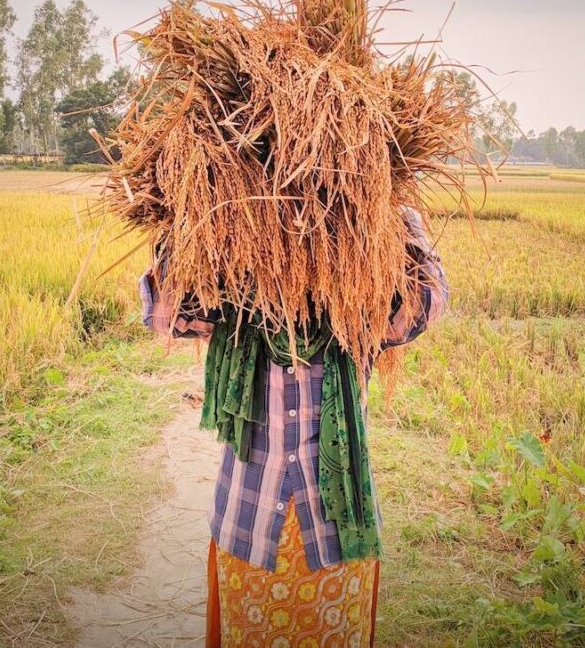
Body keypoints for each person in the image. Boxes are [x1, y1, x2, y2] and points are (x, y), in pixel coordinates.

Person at [139, 208, 448, 648]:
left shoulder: (358, 303)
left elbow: (421, 307)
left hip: (335, 533)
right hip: (249, 521)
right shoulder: (235, 295)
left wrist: (396, 217)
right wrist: (188, 222)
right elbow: (167, 314)